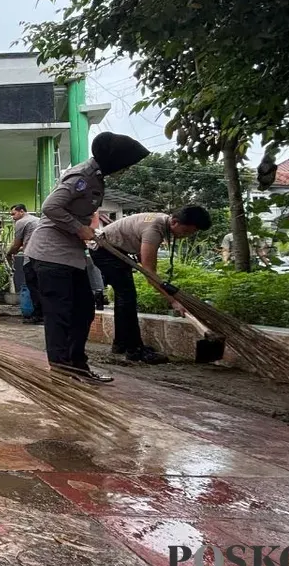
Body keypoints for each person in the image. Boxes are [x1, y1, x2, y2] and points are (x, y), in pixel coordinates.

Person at [23, 132, 151, 383]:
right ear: (116, 160)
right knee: (59, 314)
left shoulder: (96, 177)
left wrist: (89, 231)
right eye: (126, 164)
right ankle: (62, 371)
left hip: (70, 256)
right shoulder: (81, 176)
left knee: (84, 311)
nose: (126, 170)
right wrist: (78, 228)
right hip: (50, 255)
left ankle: (78, 366)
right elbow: (50, 207)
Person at [93, 207, 213, 363]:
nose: (186, 236)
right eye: (186, 232)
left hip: (114, 250)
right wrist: (173, 301)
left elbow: (141, 253)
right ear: (175, 222)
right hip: (106, 251)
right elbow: (150, 274)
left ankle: (121, 344)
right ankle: (135, 349)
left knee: (124, 297)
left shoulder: (162, 222)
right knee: (127, 298)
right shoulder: (154, 230)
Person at [6, 203, 42, 324]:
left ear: (22, 211)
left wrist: (9, 253)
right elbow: (30, 241)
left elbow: (16, 245)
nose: (13, 217)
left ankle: (38, 315)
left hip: (31, 258)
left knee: (34, 287)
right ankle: (46, 315)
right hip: (45, 257)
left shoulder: (21, 222)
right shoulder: (37, 220)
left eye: (14, 214)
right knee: (43, 287)